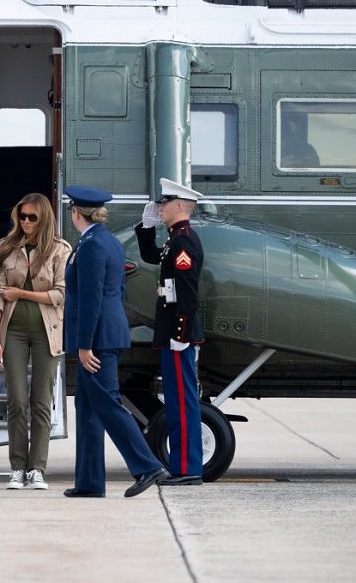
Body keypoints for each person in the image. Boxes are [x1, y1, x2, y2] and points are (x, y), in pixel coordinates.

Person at [62, 185, 169, 498]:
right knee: (87, 406)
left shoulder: (93, 245)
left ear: (75, 213)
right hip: (106, 332)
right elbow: (117, 292)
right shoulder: (105, 241)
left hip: (97, 338)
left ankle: (147, 465)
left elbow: (92, 298)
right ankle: (90, 481)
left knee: (107, 402)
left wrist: (84, 345)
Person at [0, 193, 71, 491]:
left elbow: (60, 295)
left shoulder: (60, 250)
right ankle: (16, 468)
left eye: (31, 217)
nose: (25, 222)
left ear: (44, 219)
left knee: (41, 402)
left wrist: (21, 293)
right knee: (17, 401)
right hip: (13, 332)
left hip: (47, 332)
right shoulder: (6, 248)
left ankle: (37, 469)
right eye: (21, 216)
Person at [135, 178, 206, 486]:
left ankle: (188, 468)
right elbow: (152, 257)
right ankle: (182, 466)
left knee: (183, 402)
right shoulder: (175, 240)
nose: (160, 209)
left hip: (178, 335)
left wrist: (180, 333)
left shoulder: (184, 242)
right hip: (172, 334)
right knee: (176, 401)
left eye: (164, 205)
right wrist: (145, 226)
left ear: (179, 206)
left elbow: (187, 294)